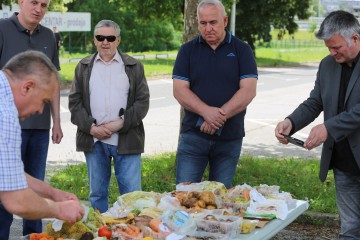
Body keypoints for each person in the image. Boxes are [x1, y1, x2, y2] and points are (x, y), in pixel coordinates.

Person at [275, 10, 360, 239]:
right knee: (350, 229)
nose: (332, 53)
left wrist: (329, 128)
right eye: (328, 48)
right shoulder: (327, 65)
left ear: (355, 38)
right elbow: (315, 103)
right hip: (343, 162)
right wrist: (290, 122)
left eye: (336, 47)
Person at [172, 0, 257, 189]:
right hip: (193, 137)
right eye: (203, 23)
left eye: (213, 22)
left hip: (229, 138)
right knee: (184, 195)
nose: (208, 28)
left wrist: (218, 116)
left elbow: (249, 90)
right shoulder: (187, 51)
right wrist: (206, 112)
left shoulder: (242, 50)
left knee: (219, 198)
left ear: (225, 21)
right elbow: (179, 90)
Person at [68, 20, 150, 213]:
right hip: (94, 141)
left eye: (110, 38)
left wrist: (118, 125)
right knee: (97, 195)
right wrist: (91, 128)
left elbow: (142, 102)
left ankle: (130, 233)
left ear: (118, 40)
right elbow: (74, 103)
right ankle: (100, 232)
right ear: (95, 40)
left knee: (131, 195)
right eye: (100, 37)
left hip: (126, 139)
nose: (105, 42)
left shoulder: (134, 66)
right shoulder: (83, 66)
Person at [0, 50, 84, 236]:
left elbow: (9, 173)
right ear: (27, 87)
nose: (40, 111)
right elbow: (16, 200)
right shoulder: (6, 114)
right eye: (44, 101)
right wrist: (59, 210)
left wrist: (53, 193)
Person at [0, 0, 63, 236]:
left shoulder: (48, 36)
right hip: (8, 124)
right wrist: (59, 208)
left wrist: (56, 120)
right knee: (5, 189)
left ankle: (35, 235)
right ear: (21, 2)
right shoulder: (2, 29)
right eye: (34, 2)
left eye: (44, 5)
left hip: (39, 128)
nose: (38, 8)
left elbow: (52, 82)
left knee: (34, 183)